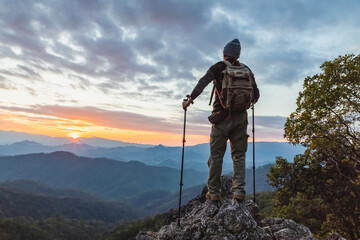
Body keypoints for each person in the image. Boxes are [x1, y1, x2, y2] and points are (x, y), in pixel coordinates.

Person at [182, 39, 260, 202]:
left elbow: (202, 83)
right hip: (241, 119)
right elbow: (256, 95)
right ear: (237, 55)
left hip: (220, 118)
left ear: (225, 54)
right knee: (239, 155)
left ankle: (214, 192)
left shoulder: (218, 67)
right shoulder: (246, 70)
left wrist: (189, 101)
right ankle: (238, 190)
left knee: (216, 155)